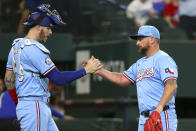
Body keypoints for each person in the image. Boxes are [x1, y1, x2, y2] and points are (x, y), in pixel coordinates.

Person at [4, 4, 102, 131]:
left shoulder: (16, 47)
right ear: (38, 27)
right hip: (34, 106)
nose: (50, 32)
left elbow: (8, 80)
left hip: (33, 105)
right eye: (48, 28)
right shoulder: (34, 49)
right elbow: (58, 78)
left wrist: (19, 102)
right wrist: (85, 71)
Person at [93, 25, 178, 130]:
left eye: (141, 39)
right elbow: (121, 79)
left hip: (162, 115)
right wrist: (100, 71)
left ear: (152, 39)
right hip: (144, 118)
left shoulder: (163, 59)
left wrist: (158, 110)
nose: (137, 43)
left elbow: (171, 85)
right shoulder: (140, 63)